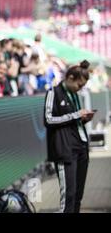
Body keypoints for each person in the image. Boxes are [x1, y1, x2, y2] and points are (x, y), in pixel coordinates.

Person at [44, 60, 94, 213]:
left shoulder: (75, 95)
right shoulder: (53, 92)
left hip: (81, 148)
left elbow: (73, 120)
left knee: (78, 195)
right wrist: (75, 115)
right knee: (69, 196)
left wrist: (83, 119)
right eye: (79, 85)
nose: (80, 89)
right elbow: (48, 119)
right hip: (65, 150)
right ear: (70, 78)